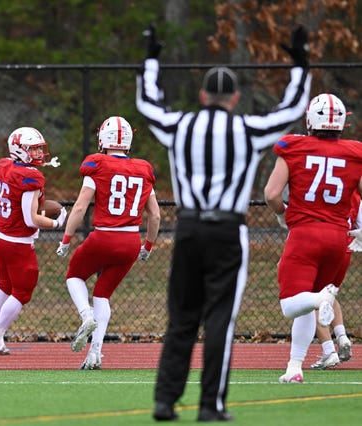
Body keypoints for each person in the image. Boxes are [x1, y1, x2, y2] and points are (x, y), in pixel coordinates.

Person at [135, 25, 312, 422]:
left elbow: (148, 104)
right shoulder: (248, 129)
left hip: (190, 229)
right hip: (228, 232)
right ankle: (210, 405)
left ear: (202, 96)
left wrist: (150, 60)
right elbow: (292, 108)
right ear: (234, 98)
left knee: (182, 317)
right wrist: (301, 63)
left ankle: (165, 401)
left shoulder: (181, 126)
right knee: (219, 321)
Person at [264, 93, 362, 383]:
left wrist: (283, 214)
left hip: (305, 234)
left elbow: (271, 194)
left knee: (291, 303)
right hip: (338, 237)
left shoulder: (294, 147)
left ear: (310, 119)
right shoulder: (354, 152)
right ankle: (294, 367)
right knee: (305, 305)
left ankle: (322, 298)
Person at [55, 116, 160, 370]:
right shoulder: (143, 168)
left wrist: (66, 239)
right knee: (103, 293)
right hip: (131, 241)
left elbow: (80, 207)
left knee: (74, 276)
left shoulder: (98, 164)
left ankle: (86, 316)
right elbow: (155, 215)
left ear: (103, 138)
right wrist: (148, 246)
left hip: (104, 236)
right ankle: (95, 353)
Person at [0, 127, 66, 355]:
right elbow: (31, 219)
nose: (39, 153)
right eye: (33, 149)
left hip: (0, 237)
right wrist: (58, 224)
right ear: (19, 149)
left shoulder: (4, 166)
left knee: (5, 285)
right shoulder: (29, 176)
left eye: (40, 148)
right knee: (22, 291)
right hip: (18, 241)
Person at [310, 191, 359, 370]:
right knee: (328, 294)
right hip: (343, 248)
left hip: (320, 243)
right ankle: (341, 335)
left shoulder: (322, 181)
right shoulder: (354, 190)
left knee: (310, 299)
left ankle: (329, 350)